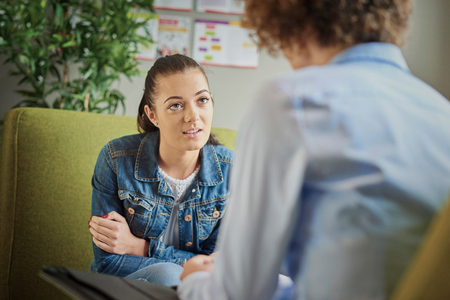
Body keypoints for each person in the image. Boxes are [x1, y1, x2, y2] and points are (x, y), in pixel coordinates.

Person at [178, 0, 450, 299]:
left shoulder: (291, 101)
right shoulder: (441, 112)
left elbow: (237, 294)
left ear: (289, 19)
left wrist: (195, 280)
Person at [88, 54, 234, 286]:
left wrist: (140, 247)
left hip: (198, 291)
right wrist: (186, 267)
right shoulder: (116, 159)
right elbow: (108, 262)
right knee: (168, 276)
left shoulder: (231, 172)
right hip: (122, 285)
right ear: (152, 114)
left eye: (202, 100)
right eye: (176, 105)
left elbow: (219, 268)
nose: (193, 116)